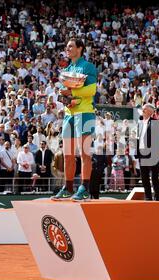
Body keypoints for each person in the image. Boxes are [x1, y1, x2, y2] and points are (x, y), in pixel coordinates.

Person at [52, 38, 97, 201]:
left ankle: (85, 187)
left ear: (80, 48)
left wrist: (71, 94)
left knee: (84, 153)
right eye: (67, 46)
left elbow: (92, 89)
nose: (67, 48)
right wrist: (64, 97)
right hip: (69, 113)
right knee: (67, 154)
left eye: (71, 46)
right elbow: (65, 92)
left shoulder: (88, 66)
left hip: (84, 112)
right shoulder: (68, 68)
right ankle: (68, 187)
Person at [135, 103, 159, 201]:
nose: (142, 111)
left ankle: (157, 197)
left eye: (144, 109)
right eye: (142, 109)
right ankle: (148, 197)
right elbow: (137, 139)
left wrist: (157, 154)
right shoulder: (139, 123)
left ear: (150, 112)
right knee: (144, 177)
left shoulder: (155, 122)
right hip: (142, 153)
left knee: (154, 177)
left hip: (152, 154)